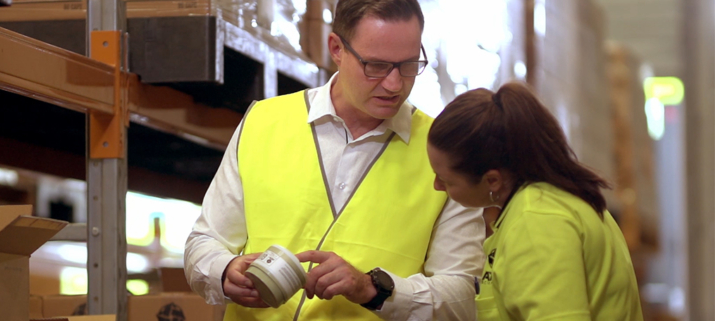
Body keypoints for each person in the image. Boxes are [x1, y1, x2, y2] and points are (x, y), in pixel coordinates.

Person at [183, 0, 486, 320]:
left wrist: (375, 289)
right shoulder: (263, 122)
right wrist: (225, 270)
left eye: (409, 64)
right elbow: (205, 242)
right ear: (337, 48)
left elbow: (460, 299)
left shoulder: (448, 151)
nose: (394, 84)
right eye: (376, 65)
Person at [426, 82, 644, 321]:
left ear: (492, 180)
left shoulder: (537, 223)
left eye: (446, 180)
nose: (437, 186)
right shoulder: (551, 202)